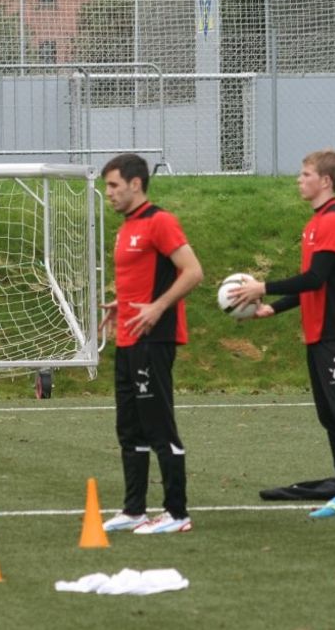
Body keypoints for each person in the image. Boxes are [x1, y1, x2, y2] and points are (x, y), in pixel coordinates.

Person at [230, 149, 335, 521]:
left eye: (305, 173)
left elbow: (315, 278)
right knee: (329, 416)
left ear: (325, 181)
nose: (299, 179)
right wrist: (271, 307)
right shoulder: (315, 224)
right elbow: (313, 285)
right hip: (318, 334)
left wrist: (263, 286)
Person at [98, 153, 204, 535]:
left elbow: (193, 272)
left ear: (135, 184)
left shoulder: (160, 222)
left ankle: (177, 513)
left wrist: (158, 307)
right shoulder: (127, 227)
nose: (107, 193)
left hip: (153, 339)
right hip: (127, 338)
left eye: (113, 185)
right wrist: (120, 305)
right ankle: (134, 510)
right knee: (130, 428)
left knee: (160, 427)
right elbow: (142, 277)